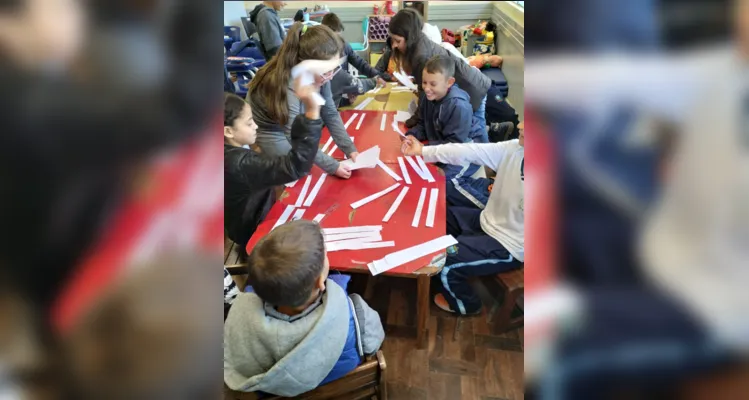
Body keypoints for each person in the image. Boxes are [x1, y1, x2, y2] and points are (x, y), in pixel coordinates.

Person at [224, 220, 385, 397]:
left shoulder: (239, 323)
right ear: (319, 281)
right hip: (345, 389)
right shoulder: (355, 313)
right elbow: (374, 343)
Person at [401, 122, 525, 315]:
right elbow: (467, 150)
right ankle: (463, 252)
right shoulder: (516, 148)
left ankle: (467, 305)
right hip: (488, 220)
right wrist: (423, 151)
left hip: (509, 243)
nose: (521, 125)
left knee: (445, 263)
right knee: (440, 217)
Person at [247, 23, 358, 180]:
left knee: (307, 158)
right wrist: (333, 166)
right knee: (296, 171)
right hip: (269, 129)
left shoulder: (322, 73)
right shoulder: (287, 83)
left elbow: (330, 113)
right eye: (326, 71)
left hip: (288, 121)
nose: (331, 76)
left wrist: (349, 149)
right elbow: (294, 137)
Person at [225, 77, 322, 252]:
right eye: (249, 123)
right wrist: (312, 114)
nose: (256, 126)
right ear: (228, 131)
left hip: (241, 223)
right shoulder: (239, 162)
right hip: (254, 231)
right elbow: (295, 166)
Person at [407, 55, 492, 208]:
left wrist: (424, 149)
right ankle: (482, 186)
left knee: (445, 182)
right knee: (426, 173)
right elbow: (423, 123)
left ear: (449, 83)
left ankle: (488, 209)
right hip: (446, 144)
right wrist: (411, 135)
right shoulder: (429, 96)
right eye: (424, 82)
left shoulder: (458, 106)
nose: (426, 88)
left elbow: (455, 147)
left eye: (432, 84)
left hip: (468, 150)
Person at [389, 8, 491, 131]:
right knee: (471, 131)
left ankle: (494, 130)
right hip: (467, 87)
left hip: (472, 89)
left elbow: (425, 93)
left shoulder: (421, 56)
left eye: (397, 41)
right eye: (392, 40)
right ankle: (492, 129)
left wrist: (416, 120)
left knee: (476, 135)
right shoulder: (418, 40)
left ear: (409, 37)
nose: (394, 45)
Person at [321, 13, 388, 107]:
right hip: (326, 101)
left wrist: (376, 75)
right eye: (334, 38)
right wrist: (373, 81)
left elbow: (359, 63)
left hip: (338, 99)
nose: (338, 41)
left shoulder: (344, 45)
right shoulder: (320, 54)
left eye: (339, 37)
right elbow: (345, 82)